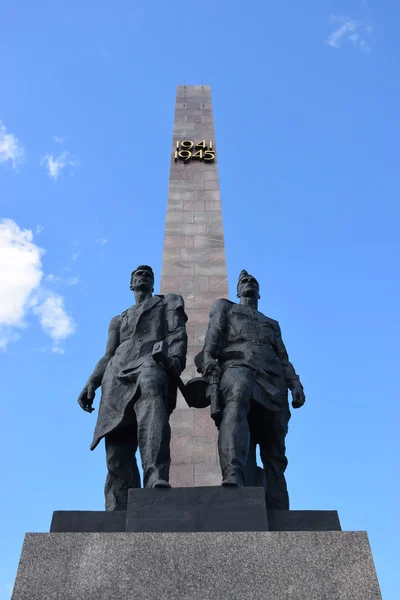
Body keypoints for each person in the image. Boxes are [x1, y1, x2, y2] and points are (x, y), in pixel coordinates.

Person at [77, 265, 187, 510]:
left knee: (151, 388)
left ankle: (156, 476)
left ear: (153, 281)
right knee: (117, 449)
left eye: (147, 273)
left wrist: (174, 361)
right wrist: (92, 381)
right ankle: (120, 505)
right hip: (116, 374)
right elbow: (108, 355)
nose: (143, 275)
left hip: (150, 362)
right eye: (138, 274)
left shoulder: (167, 302)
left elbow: (177, 334)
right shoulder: (118, 319)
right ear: (131, 284)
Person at [201, 269, 305, 509]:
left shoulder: (272, 324)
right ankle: (233, 474)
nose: (248, 283)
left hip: (273, 377)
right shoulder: (225, 308)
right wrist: (208, 357)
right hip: (239, 364)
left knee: (275, 442)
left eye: (252, 281)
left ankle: (278, 499)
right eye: (244, 281)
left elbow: (283, 358)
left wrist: (295, 383)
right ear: (238, 291)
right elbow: (214, 334)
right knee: (237, 393)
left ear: (259, 292)